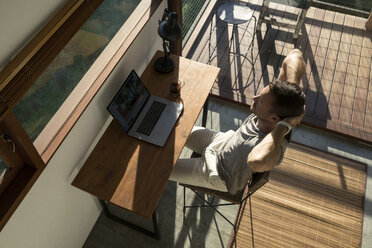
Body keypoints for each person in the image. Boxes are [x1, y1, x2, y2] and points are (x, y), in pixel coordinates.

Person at [169, 49, 306, 195]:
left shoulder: (273, 148)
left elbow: (256, 162)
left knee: (161, 170)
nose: (254, 98)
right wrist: (293, 93)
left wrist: (285, 125)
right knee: (173, 129)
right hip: (223, 142)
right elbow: (295, 54)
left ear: (275, 119)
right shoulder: (278, 108)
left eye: (261, 101)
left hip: (218, 172)